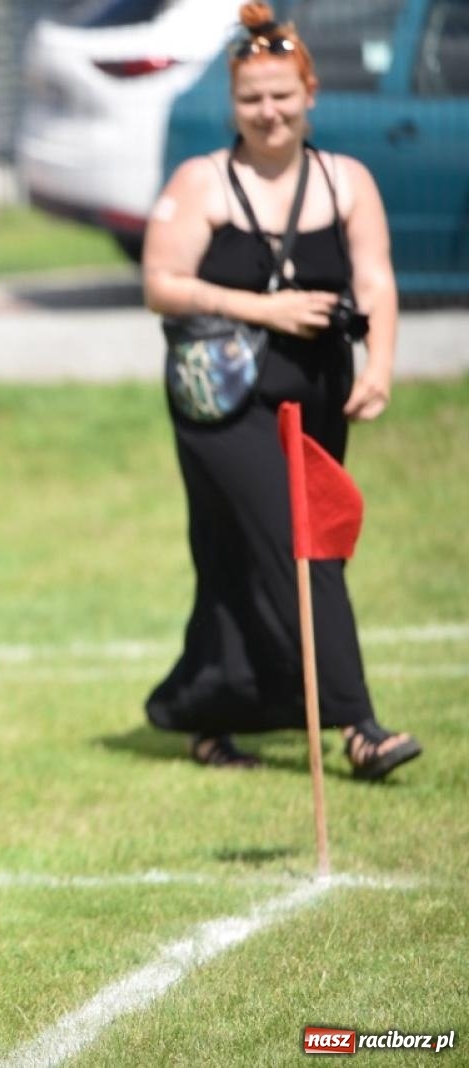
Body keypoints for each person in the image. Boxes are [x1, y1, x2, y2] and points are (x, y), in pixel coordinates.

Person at [141, 3, 421, 779]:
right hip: (222, 400)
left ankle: (208, 711)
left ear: (310, 94)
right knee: (307, 542)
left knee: (234, 554)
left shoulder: (347, 180)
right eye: (251, 99)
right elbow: (161, 284)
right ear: (233, 103)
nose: (267, 113)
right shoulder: (203, 182)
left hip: (321, 388)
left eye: (281, 96)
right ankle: (359, 724)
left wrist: (380, 366)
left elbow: (376, 279)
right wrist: (264, 308)